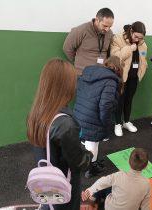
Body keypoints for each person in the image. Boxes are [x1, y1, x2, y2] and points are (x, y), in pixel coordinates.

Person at [27, 58, 93, 210]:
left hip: (46, 179)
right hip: (63, 182)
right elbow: (78, 162)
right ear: (66, 86)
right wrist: (89, 156)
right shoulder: (65, 124)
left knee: (49, 205)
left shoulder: (37, 112)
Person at [74, 56, 123, 178]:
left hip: (79, 113)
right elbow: (105, 106)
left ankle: (86, 163)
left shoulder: (88, 73)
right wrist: (106, 123)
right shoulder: (111, 81)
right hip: (94, 118)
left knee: (85, 142)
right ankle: (90, 169)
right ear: (118, 68)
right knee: (92, 144)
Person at [81, 148, 151, 210]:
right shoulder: (147, 183)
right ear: (146, 166)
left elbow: (101, 182)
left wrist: (90, 190)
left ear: (129, 162)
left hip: (109, 208)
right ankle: (93, 200)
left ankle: (92, 199)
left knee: (107, 186)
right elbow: (146, 204)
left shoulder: (118, 175)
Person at [111, 21, 147, 137]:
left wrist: (142, 69)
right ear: (131, 31)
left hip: (134, 77)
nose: (137, 40)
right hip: (121, 77)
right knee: (119, 100)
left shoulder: (142, 44)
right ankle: (117, 124)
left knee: (129, 99)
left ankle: (126, 121)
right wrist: (129, 48)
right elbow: (115, 57)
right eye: (136, 36)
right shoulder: (118, 39)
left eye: (140, 38)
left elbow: (143, 58)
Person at [63, 8, 114, 75]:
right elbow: (67, 48)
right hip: (82, 74)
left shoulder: (109, 33)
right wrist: (78, 62)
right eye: (105, 26)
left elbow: (109, 53)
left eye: (110, 27)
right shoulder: (81, 30)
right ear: (97, 20)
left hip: (101, 74)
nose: (107, 29)